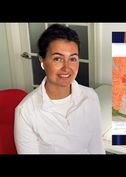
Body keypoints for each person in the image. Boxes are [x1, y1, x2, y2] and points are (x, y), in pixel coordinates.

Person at [14, 24, 105, 154]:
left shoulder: (90, 97)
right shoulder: (25, 111)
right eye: (58, 59)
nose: (66, 68)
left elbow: (96, 146)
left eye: (72, 59)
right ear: (42, 61)